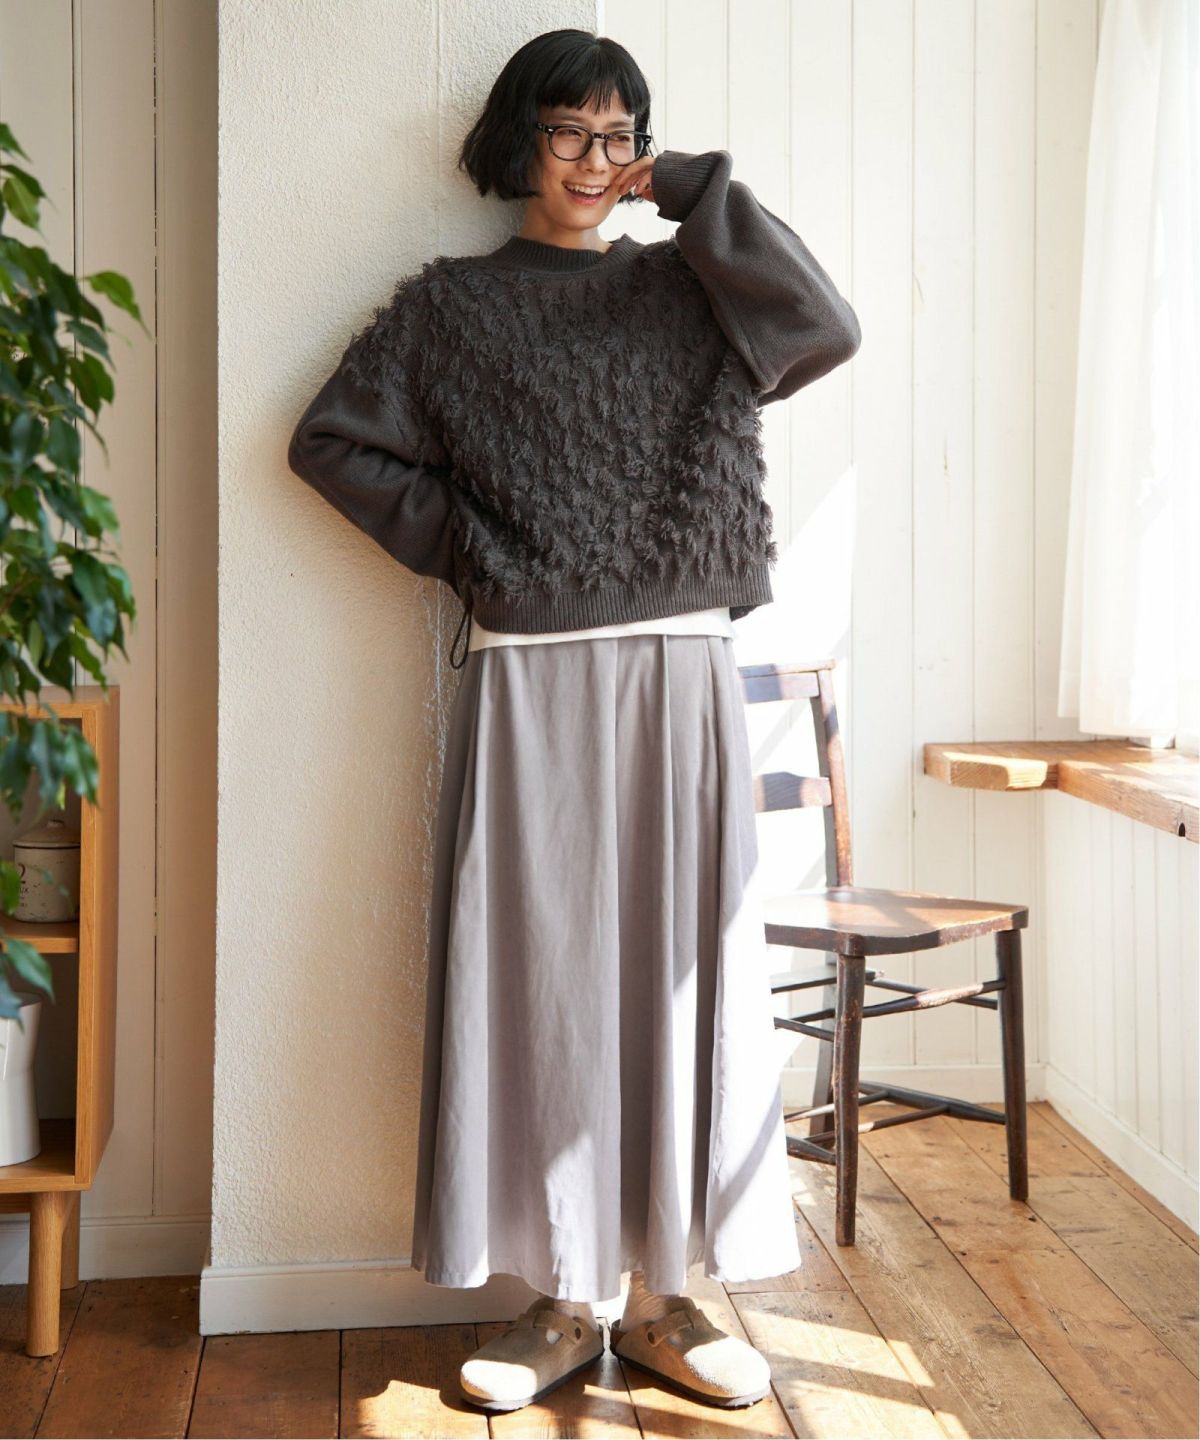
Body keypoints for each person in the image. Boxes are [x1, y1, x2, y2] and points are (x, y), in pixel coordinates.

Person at [287, 27, 861, 1416]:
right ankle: (558, 1300)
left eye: (621, 136)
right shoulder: (452, 309)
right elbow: (329, 443)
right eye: (570, 132)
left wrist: (701, 191)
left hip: (681, 673)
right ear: (519, 141)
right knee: (542, 985)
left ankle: (665, 1300)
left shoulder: (693, 285)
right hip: (529, 677)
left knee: (686, 981)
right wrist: (476, 548)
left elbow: (825, 329)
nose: (597, 161)